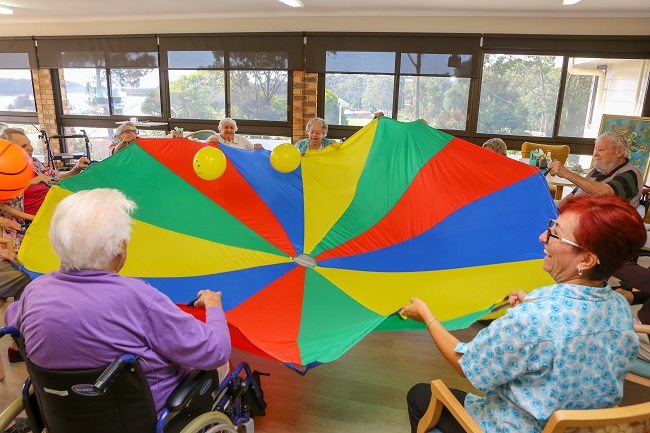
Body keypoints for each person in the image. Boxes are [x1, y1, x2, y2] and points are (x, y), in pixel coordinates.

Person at [402, 194, 646, 433]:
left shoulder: (532, 319)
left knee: (420, 395)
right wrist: (530, 306)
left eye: (556, 234)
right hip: (584, 425)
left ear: (587, 259)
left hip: (518, 426)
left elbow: (466, 365)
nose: (542, 237)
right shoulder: (618, 306)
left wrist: (427, 317)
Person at [4, 188, 232, 414]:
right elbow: (216, 350)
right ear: (120, 250)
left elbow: (12, 319)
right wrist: (213, 306)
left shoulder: (34, 292)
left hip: (63, 413)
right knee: (219, 363)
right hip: (141, 416)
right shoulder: (139, 297)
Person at [0, 128, 89, 251]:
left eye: (29, 144)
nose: (30, 148)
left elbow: (58, 178)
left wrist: (77, 168)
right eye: (24, 146)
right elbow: (4, 197)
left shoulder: (34, 163)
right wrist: (31, 183)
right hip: (31, 222)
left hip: (51, 214)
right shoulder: (4, 170)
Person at [548, 132, 643, 209]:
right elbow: (573, 194)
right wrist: (557, 212)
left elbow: (604, 193)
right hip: (575, 217)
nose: (595, 154)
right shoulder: (597, 170)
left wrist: (566, 173)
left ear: (619, 152)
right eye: (595, 150)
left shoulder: (631, 173)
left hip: (599, 227)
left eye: (600, 150)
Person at [614, 261, 650, 362]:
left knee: (589, 326)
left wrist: (607, 258)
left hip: (645, 334)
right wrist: (634, 297)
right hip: (642, 328)